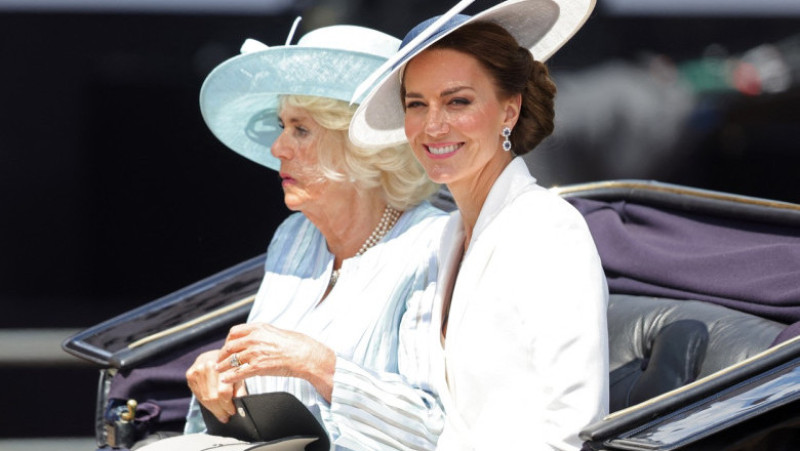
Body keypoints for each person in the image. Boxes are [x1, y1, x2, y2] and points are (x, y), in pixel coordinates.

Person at [148, 23, 450, 450]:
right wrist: (222, 374)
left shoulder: (432, 247)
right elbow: (269, 378)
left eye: (300, 130)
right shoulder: (295, 238)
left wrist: (321, 366)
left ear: (363, 145)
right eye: (281, 126)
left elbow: (436, 429)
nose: (277, 148)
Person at [349, 0, 609, 449]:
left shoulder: (548, 231)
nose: (433, 125)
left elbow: (575, 430)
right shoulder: (448, 235)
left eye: (458, 102)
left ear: (509, 111)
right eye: (417, 104)